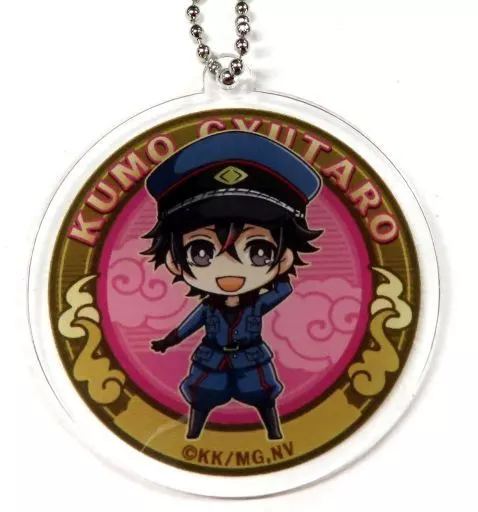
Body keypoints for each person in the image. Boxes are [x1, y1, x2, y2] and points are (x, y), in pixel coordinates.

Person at [143, 131, 323, 440]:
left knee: (263, 395)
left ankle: (274, 433)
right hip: (211, 360)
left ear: (282, 259)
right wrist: (167, 342)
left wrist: (282, 273)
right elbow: (188, 326)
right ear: (175, 261)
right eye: (201, 252)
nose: (229, 271)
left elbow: (283, 291)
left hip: (251, 360)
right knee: (201, 395)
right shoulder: (208, 308)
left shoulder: (257, 303)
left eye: (259, 252)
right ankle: (193, 433)